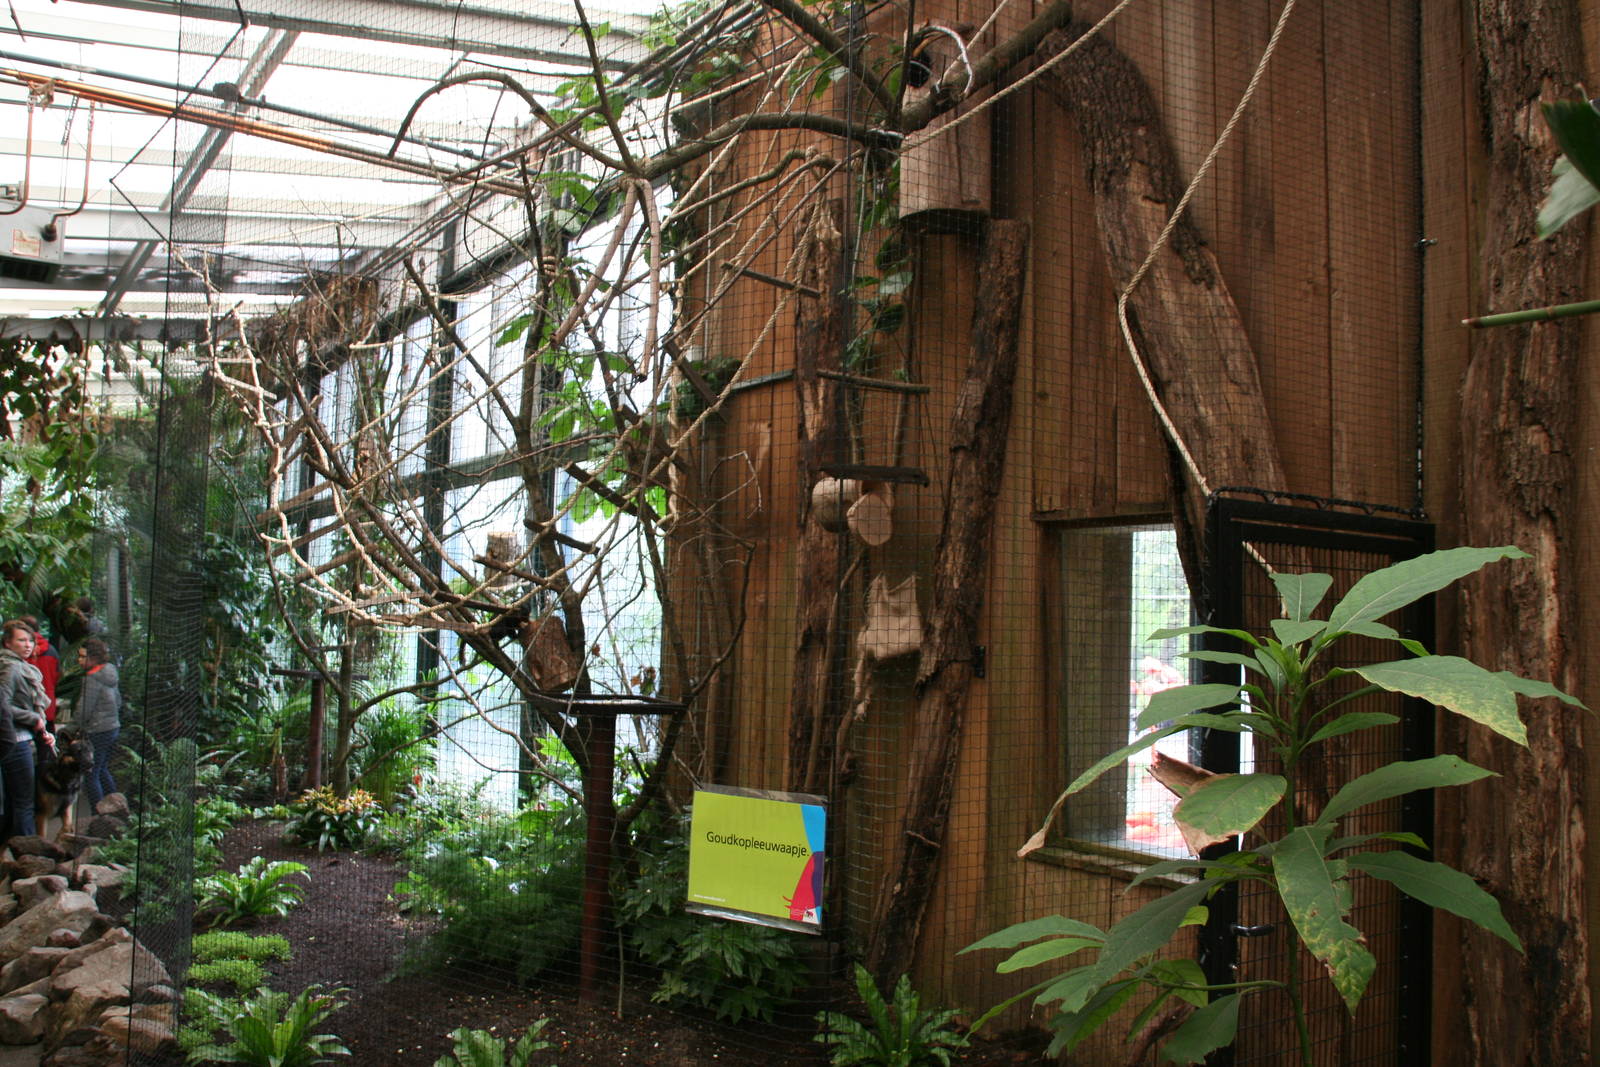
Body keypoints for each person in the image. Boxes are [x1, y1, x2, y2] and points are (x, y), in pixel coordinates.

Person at [0, 620, 53, 839]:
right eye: (21, 640)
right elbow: (2, 705)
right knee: (24, 803)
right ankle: (29, 856)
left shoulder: (21, 666)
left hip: (23, 737)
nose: (27, 644)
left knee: (16, 803)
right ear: (7, 643)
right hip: (15, 740)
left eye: (30, 640)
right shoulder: (10, 667)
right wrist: (33, 719)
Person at [76, 638, 120, 806]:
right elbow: (119, 701)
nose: (79, 660)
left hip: (98, 730)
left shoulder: (92, 678)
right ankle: (116, 807)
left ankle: (98, 815)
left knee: (91, 773)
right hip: (112, 727)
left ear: (94, 658)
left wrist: (72, 728)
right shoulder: (110, 672)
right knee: (102, 769)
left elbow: (84, 709)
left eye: (82, 656)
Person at [21, 616, 59, 725]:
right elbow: (57, 676)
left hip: (25, 706)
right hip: (47, 702)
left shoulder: (20, 650)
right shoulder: (51, 650)